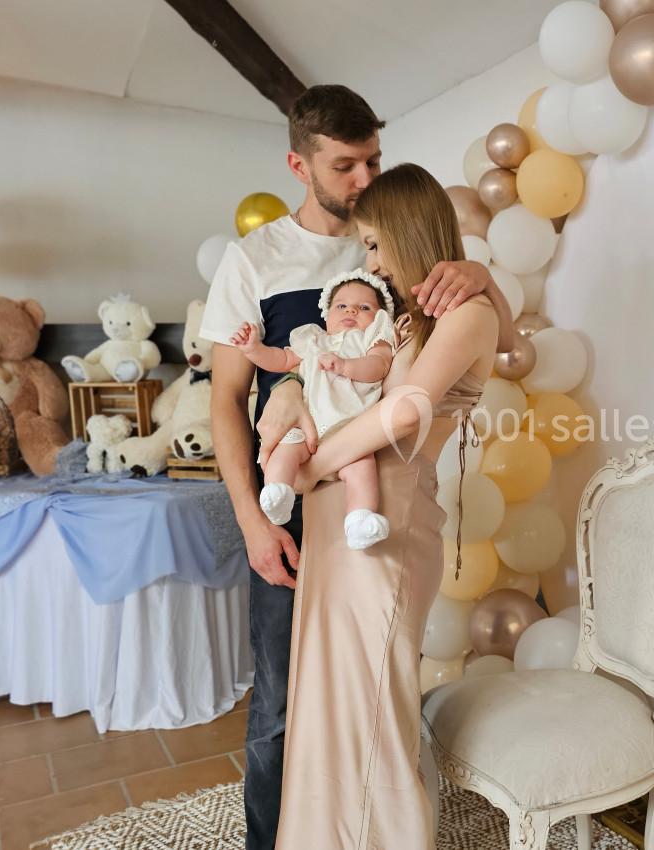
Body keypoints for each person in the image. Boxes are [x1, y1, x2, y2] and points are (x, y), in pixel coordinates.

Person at [201, 85, 516, 850]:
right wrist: (255, 519)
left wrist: (486, 280)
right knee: (287, 707)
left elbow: (468, 357)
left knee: (368, 704)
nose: (364, 178)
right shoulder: (256, 258)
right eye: (346, 165)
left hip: (358, 503)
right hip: (290, 510)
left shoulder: (407, 262)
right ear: (298, 164)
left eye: (374, 159)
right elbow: (226, 404)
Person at [272, 162, 498, 849]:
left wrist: (313, 463)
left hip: (387, 522)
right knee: (328, 705)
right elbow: (334, 386)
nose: (368, 259)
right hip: (340, 515)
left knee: (371, 712)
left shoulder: (469, 313)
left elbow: (403, 414)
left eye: (374, 243)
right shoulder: (404, 319)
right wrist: (289, 402)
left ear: (404, 231)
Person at [230, 270, 395, 550]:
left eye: (364, 307)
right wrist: (253, 349)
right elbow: (281, 360)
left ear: (379, 318)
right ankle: (278, 493)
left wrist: (346, 366)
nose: (351, 310)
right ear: (327, 315)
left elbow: (379, 366)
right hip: (307, 425)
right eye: (341, 305)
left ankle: (359, 520)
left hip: (350, 433)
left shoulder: (370, 342)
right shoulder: (313, 341)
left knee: (362, 469)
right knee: (285, 450)